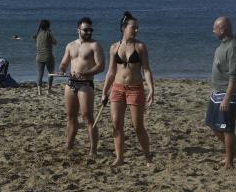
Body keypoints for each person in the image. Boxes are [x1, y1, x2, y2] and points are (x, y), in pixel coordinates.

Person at [100, 12, 155, 167]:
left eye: (137, 27)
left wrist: (151, 89)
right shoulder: (114, 47)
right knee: (116, 124)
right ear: (124, 27)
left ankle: (148, 158)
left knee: (138, 126)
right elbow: (111, 71)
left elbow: (146, 70)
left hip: (135, 88)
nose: (136, 30)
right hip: (117, 88)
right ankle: (119, 158)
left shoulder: (140, 47)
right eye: (133, 27)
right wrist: (105, 91)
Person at [58, 17, 105, 157]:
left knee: (88, 117)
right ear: (78, 30)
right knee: (70, 116)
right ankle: (69, 144)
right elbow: (64, 63)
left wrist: (85, 73)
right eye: (86, 30)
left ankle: (93, 150)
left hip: (86, 84)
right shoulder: (70, 45)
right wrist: (61, 69)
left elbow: (101, 66)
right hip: (71, 83)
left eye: (91, 30)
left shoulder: (95, 45)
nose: (89, 32)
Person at [207, 17, 236, 170]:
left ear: (222, 29)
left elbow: (235, 74)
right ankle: (232, 151)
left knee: (227, 128)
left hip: (228, 94)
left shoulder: (233, 47)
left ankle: (229, 162)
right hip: (218, 92)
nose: (213, 30)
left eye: (215, 28)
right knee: (213, 125)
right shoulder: (223, 45)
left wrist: (227, 99)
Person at [33, 19, 57, 95]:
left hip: (39, 57)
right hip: (48, 57)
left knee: (40, 74)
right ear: (48, 26)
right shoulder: (48, 33)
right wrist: (50, 32)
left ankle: (39, 91)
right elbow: (55, 42)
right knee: (51, 73)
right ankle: (49, 90)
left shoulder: (37, 35)